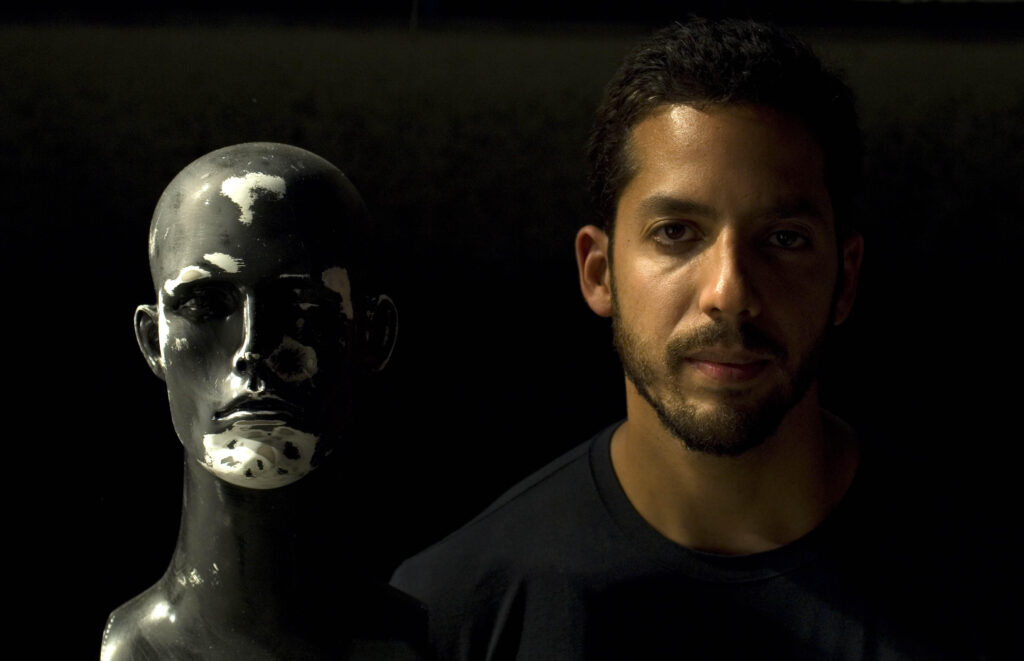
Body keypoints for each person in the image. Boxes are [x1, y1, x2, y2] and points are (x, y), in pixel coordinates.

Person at [391, 18, 991, 660]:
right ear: (599, 273)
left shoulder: (990, 585)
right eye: (676, 232)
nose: (728, 292)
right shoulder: (454, 615)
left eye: (784, 238)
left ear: (845, 279)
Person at [102, 142, 428, 660]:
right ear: (153, 341)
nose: (253, 350)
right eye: (206, 305)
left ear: (373, 335)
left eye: (302, 306)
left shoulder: (426, 639)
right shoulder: (129, 648)